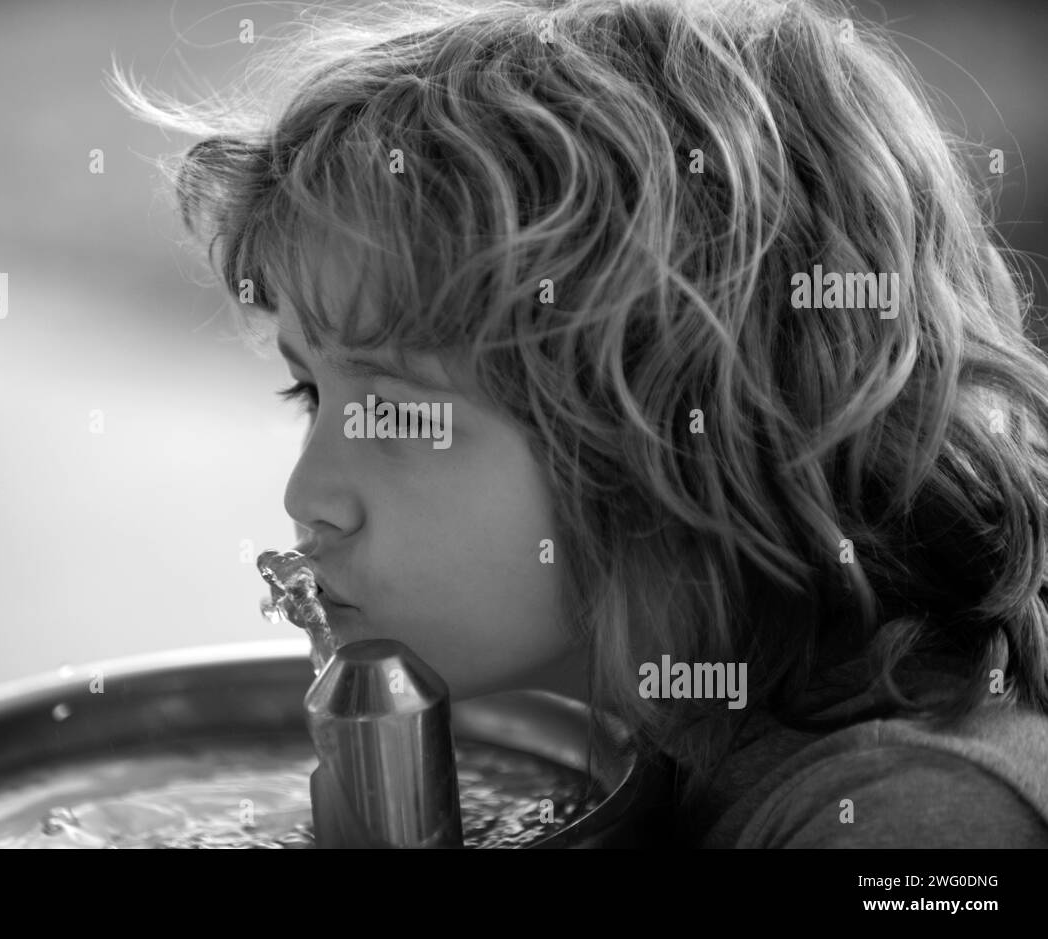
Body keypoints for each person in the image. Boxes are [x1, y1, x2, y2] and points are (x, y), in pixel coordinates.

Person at [111, 0, 1048, 846]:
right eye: (311, 395)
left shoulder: (916, 819)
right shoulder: (653, 711)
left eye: (397, 411)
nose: (306, 497)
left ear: (669, 434)